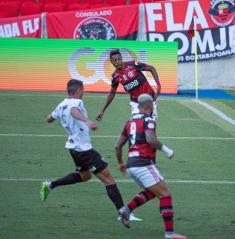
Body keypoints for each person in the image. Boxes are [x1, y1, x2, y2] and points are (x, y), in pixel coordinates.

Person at [40, 79, 130, 228]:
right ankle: (123, 213)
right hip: (84, 150)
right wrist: (87, 121)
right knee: (109, 179)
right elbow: (73, 111)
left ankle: (50, 185)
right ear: (79, 90)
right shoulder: (77, 103)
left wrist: (57, 119)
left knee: (85, 176)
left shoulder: (61, 104)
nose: (84, 92)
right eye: (83, 90)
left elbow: (49, 118)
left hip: (73, 148)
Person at [115, 94, 187, 239]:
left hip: (131, 165)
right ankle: (169, 234)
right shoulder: (149, 120)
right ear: (149, 106)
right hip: (143, 164)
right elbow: (151, 140)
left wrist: (121, 163)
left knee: (152, 192)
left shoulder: (130, 121)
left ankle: (126, 210)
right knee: (165, 195)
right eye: (153, 105)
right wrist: (167, 150)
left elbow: (117, 146)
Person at [96, 49, 161, 121]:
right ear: (111, 62)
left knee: (150, 124)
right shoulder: (115, 76)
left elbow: (151, 68)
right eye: (115, 60)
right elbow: (112, 93)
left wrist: (158, 85)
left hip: (149, 99)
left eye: (119, 59)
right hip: (136, 103)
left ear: (121, 58)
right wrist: (102, 110)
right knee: (137, 124)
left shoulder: (133, 64)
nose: (117, 62)